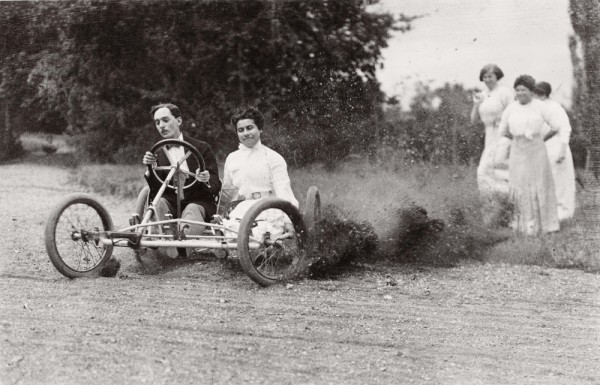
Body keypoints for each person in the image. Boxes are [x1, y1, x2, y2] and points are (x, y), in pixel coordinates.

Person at [142, 103, 222, 257]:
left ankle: (181, 248)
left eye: (165, 120)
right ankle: (164, 241)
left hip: (198, 200)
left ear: (178, 121)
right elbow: (156, 189)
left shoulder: (202, 147)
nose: (161, 126)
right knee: (159, 203)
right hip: (171, 201)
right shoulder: (157, 152)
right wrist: (149, 169)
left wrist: (205, 178)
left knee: (192, 210)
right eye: (157, 123)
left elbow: (215, 184)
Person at [498, 75, 566, 235]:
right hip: (518, 151)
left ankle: (546, 226)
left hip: (536, 150)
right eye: (518, 90)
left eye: (524, 90)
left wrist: (540, 139)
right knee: (520, 185)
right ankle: (524, 226)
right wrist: (516, 139)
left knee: (539, 184)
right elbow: (503, 130)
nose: (521, 93)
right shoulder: (511, 108)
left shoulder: (540, 106)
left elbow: (556, 126)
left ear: (531, 91)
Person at [221, 107, 298, 238]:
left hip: (270, 207)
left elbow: (284, 191)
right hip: (244, 207)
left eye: (250, 128)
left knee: (259, 234)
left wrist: (288, 221)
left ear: (260, 129)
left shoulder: (273, 158)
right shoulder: (232, 158)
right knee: (230, 230)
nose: (245, 133)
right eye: (241, 130)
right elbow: (229, 191)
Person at [470, 64, 514, 225]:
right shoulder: (482, 95)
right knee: (484, 173)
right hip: (489, 136)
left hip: (504, 134)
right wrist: (476, 104)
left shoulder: (505, 92)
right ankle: (492, 215)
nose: (487, 79)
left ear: (497, 76)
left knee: (502, 172)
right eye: (485, 76)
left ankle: (511, 214)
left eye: (491, 76)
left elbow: (513, 113)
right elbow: (473, 120)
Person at [533, 81, 576, 221]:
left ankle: (564, 213)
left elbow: (565, 128)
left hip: (557, 145)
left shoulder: (555, 107)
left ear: (543, 94)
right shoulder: (537, 108)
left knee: (560, 180)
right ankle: (548, 212)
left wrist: (563, 150)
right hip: (544, 147)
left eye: (536, 93)